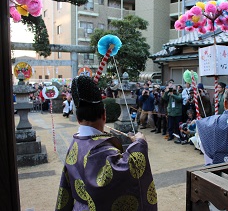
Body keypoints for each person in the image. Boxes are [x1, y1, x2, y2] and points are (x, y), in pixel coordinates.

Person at [55, 75, 157, 210]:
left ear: (78, 118)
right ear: (104, 115)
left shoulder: (75, 143)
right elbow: (125, 171)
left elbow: (66, 187)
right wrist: (140, 144)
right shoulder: (102, 151)